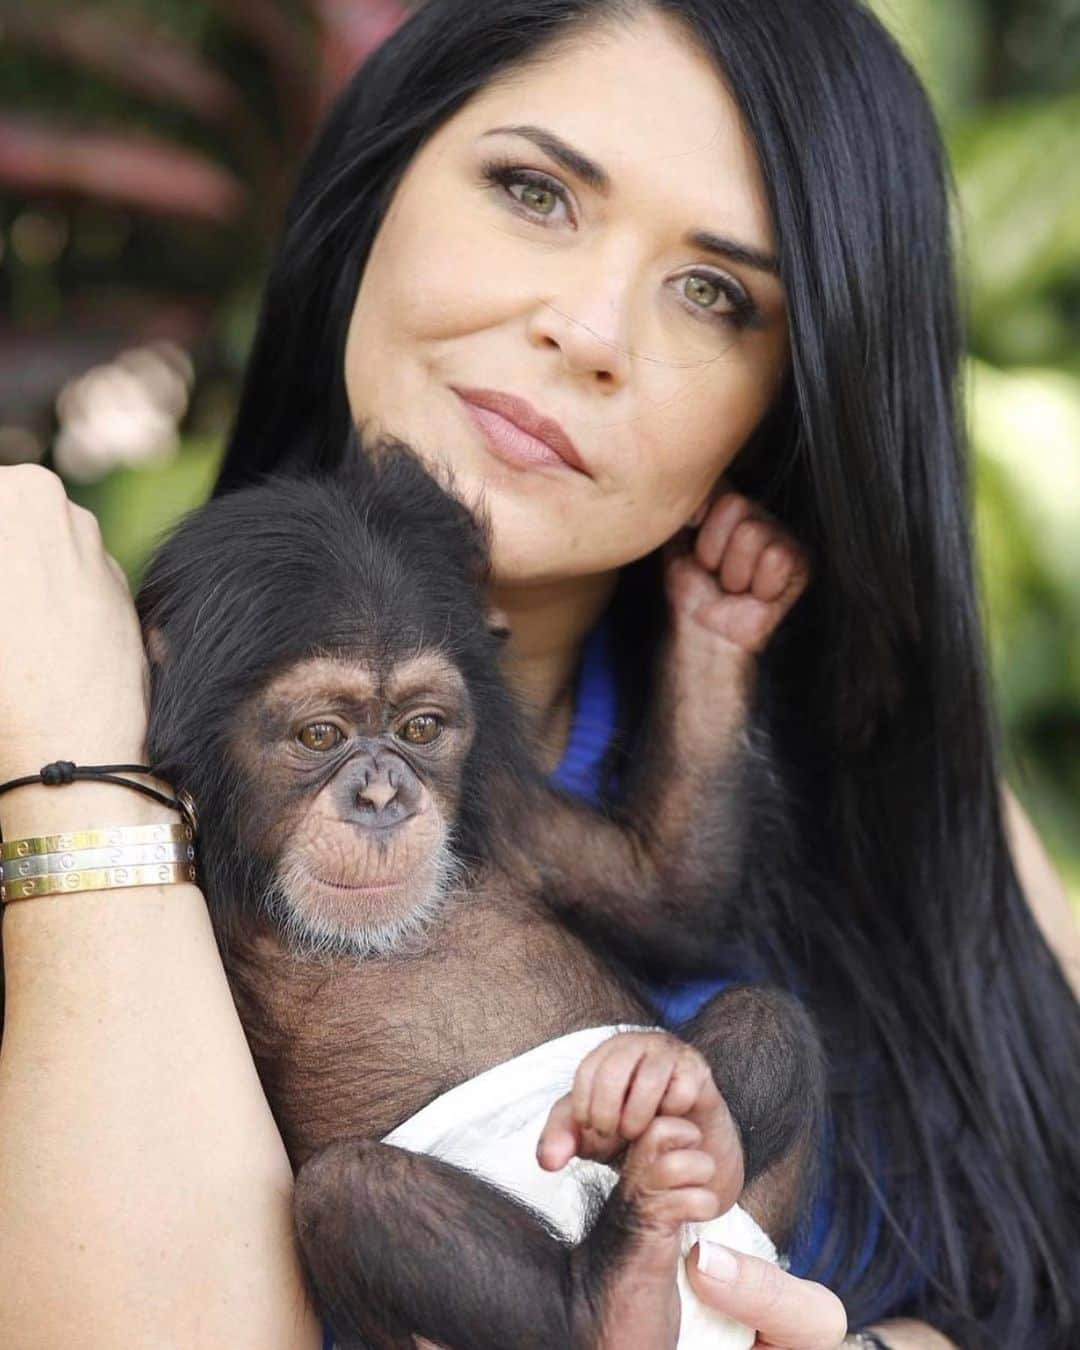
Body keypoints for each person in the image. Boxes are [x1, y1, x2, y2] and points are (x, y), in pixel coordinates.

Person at [0, 1, 1077, 1347]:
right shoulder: (74, 695)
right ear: (376, 186)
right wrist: (74, 787)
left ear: (785, 400)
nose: (589, 326)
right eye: (536, 191)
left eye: (717, 292)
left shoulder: (887, 776)